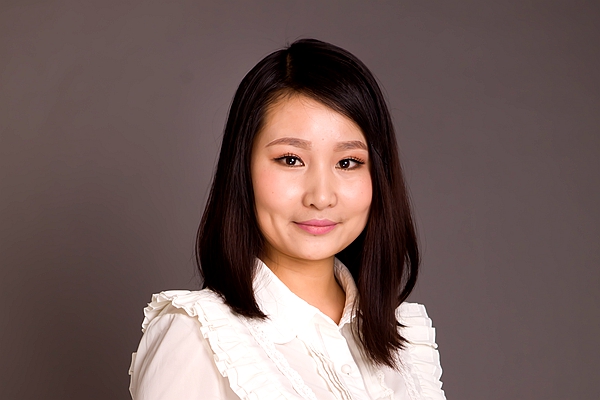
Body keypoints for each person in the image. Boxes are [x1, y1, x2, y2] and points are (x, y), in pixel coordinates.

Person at [129, 38, 446, 400]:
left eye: (348, 162)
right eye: (291, 160)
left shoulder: (405, 342)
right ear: (242, 170)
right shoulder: (197, 337)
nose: (321, 197)